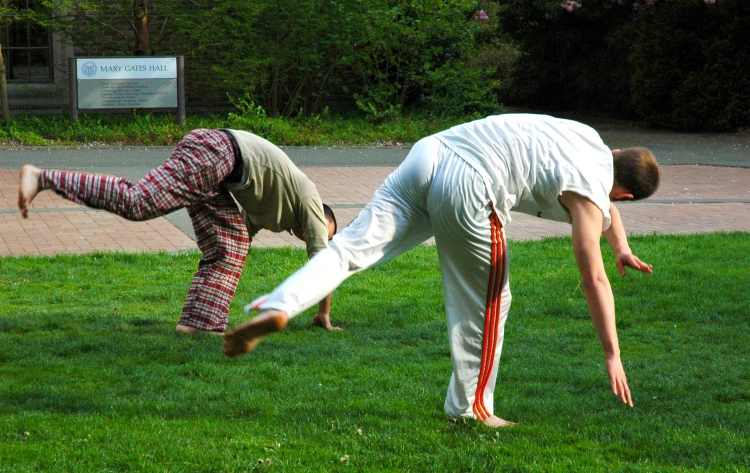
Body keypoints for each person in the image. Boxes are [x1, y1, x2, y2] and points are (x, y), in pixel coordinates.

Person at [222, 114, 661, 428]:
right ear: (621, 197)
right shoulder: (591, 194)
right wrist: (611, 353)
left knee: (348, 249)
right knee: (490, 302)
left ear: (617, 154)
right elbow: (593, 277)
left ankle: (277, 304)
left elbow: (603, 197)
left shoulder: (589, 140)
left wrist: (619, 245)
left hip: (431, 152)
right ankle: (472, 409)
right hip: (473, 183)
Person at [17, 128, 339, 335]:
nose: (319, 236)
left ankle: (199, 324)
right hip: (217, 151)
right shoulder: (309, 196)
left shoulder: (280, 213)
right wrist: (323, 314)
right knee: (138, 202)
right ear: (319, 216)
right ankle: (41, 177)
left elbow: (241, 233)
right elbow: (321, 265)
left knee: (233, 245)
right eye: (325, 231)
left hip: (220, 168)